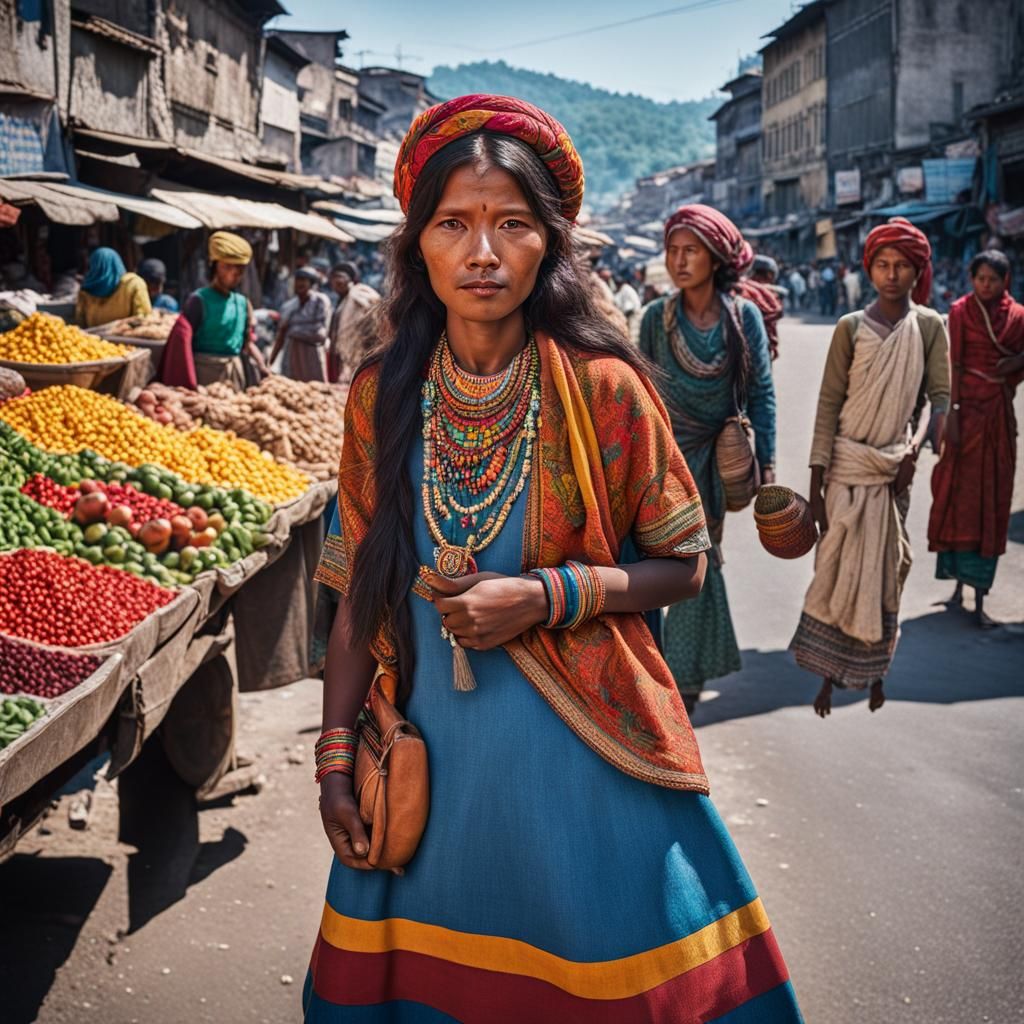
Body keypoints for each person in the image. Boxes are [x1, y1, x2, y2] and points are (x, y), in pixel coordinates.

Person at [306, 94, 802, 1022]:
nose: (482, 253)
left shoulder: (606, 388)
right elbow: (358, 595)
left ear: (550, 244)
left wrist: (545, 595)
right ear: (418, 246)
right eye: (453, 224)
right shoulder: (381, 394)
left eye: (512, 225)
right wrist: (336, 759)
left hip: (585, 760)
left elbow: (685, 562)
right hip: (429, 769)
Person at [790, 218, 950, 718]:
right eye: (882, 265)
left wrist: (914, 452)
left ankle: (875, 673)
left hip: (892, 470)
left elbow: (937, 399)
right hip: (846, 468)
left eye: (902, 266)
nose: (891, 274)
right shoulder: (850, 327)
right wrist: (816, 487)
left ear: (917, 271)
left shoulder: (930, 326)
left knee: (887, 569)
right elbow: (829, 405)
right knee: (834, 568)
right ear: (869, 269)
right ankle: (826, 677)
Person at [638, 205, 778, 714]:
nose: (678, 261)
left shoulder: (744, 318)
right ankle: (669, 671)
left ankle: (684, 675)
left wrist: (768, 461)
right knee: (660, 563)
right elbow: (641, 396)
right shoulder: (656, 319)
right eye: (672, 251)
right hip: (665, 461)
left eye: (690, 251)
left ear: (716, 258)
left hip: (717, 463)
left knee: (699, 557)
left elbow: (761, 392)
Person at [928, 249, 1024, 627]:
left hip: (997, 417)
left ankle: (980, 592)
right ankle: (956, 586)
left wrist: (1016, 362)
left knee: (993, 500)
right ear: (972, 279)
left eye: (993, 280)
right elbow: (953, 364)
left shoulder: (1017, 317)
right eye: (980, 278)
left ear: (1005, 281)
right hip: (965, 415)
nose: (986, 285)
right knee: (957, 496)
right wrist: (950, 414)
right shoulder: (960, 311)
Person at [160, 231, 269, 390]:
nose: (234, 273)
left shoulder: (243, 303)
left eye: (240, 268)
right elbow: (181, 342)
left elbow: (247, 344)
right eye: (228, 266)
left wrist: (263, 367)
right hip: (204, 375)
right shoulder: (198, 301)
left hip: (234, 375)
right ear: (214, 265)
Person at [270, 267, 332, 382]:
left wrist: (293, 330)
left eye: (303, 280)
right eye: (297, 280)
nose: (299, 283)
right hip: (292, 353)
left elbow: (320, 333)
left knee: (315, 386)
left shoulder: (320, 301)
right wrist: (270, 362)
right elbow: (281, 335)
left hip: (312, 354)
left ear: (311, 283)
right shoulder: (288, 306)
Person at [326, 261, 381, 384]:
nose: (337, 281)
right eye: (334, 278)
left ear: (350, 280)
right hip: (342, 353)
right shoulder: (342, 300)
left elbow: (372, 318)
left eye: (340, 277)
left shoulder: (359, 293)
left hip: (359, 352)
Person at [75, 247, 151, 327]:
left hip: (126, 334)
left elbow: (143, 320)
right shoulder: (86, 291)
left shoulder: (132, 284)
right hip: (122, 334)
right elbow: (144, 317)